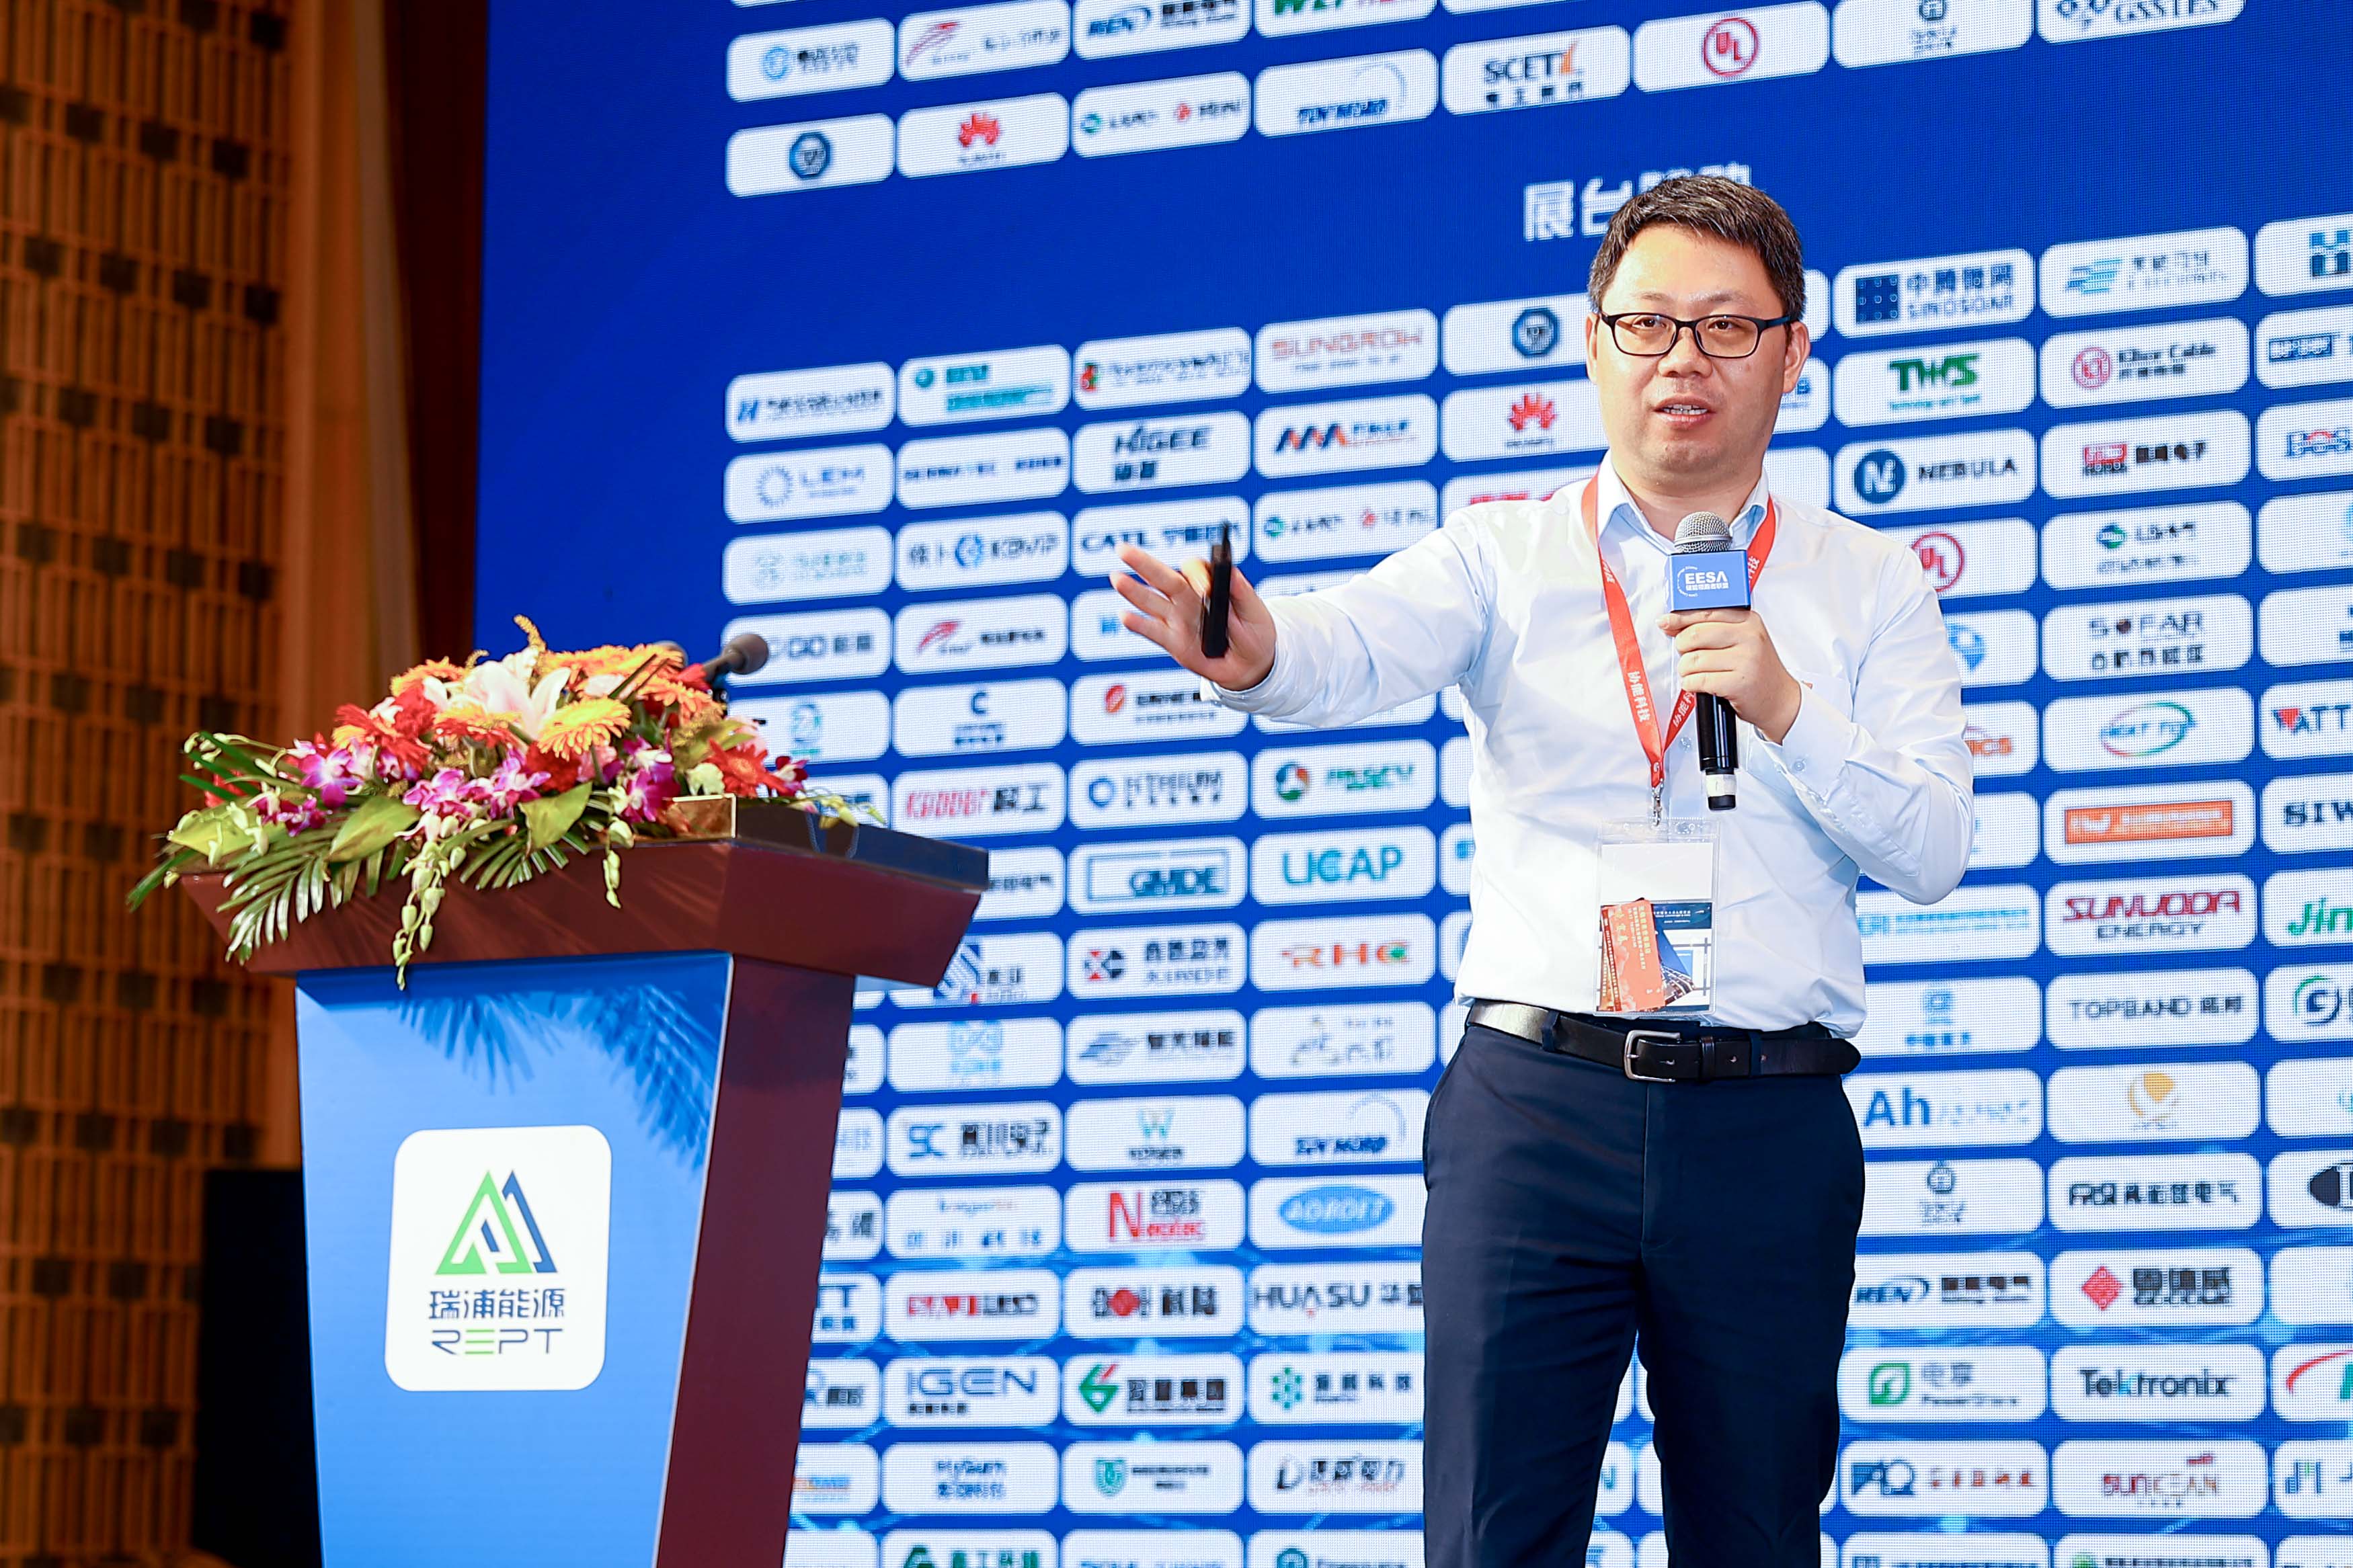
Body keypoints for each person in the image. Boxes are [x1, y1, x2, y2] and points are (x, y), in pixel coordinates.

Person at [1112, 176, 1975, 1567]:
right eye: (1646, 325)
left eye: (1725, 327)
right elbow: (1351, 645)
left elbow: (1931, 848)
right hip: (1536, 1113)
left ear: (1792, 354)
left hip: (1766, 1124)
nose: (1680, 359)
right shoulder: (1502, 555)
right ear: (1593, 344)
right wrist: (1261, 657)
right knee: (1490, 1538)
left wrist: (1785, 705)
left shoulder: (1869, 584)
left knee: (1758, 1536)